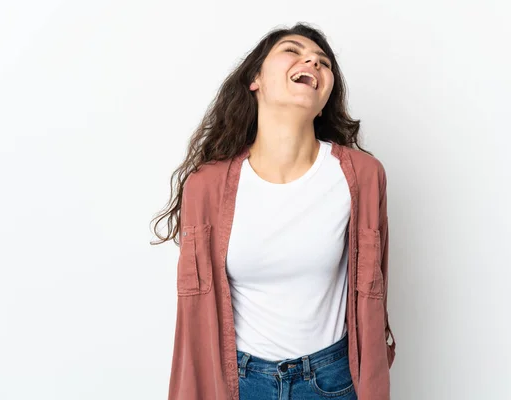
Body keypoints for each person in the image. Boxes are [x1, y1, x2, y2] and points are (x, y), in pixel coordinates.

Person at [150, 22, 396, 400]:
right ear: (256, 80)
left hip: (331, 381)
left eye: (323, 62)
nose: (312, 60)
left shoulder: (361, 176)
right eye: (292, 51)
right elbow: (194, 320)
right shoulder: (206, 187)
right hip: (240, 383)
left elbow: (373, 298)